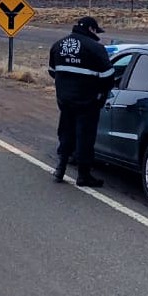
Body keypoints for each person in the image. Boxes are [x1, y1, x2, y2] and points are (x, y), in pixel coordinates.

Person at [48, 15, 114, 187]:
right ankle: (83, 175)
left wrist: (67, 83)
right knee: (85, 137)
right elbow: (109, 76)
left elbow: (52, 71)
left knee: (66, 132)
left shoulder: (58, 45)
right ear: (91, 29)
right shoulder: (96, 48)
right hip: (87, 101)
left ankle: (60, 168)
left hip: (64, 99)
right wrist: (99, 90)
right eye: (96, 30)